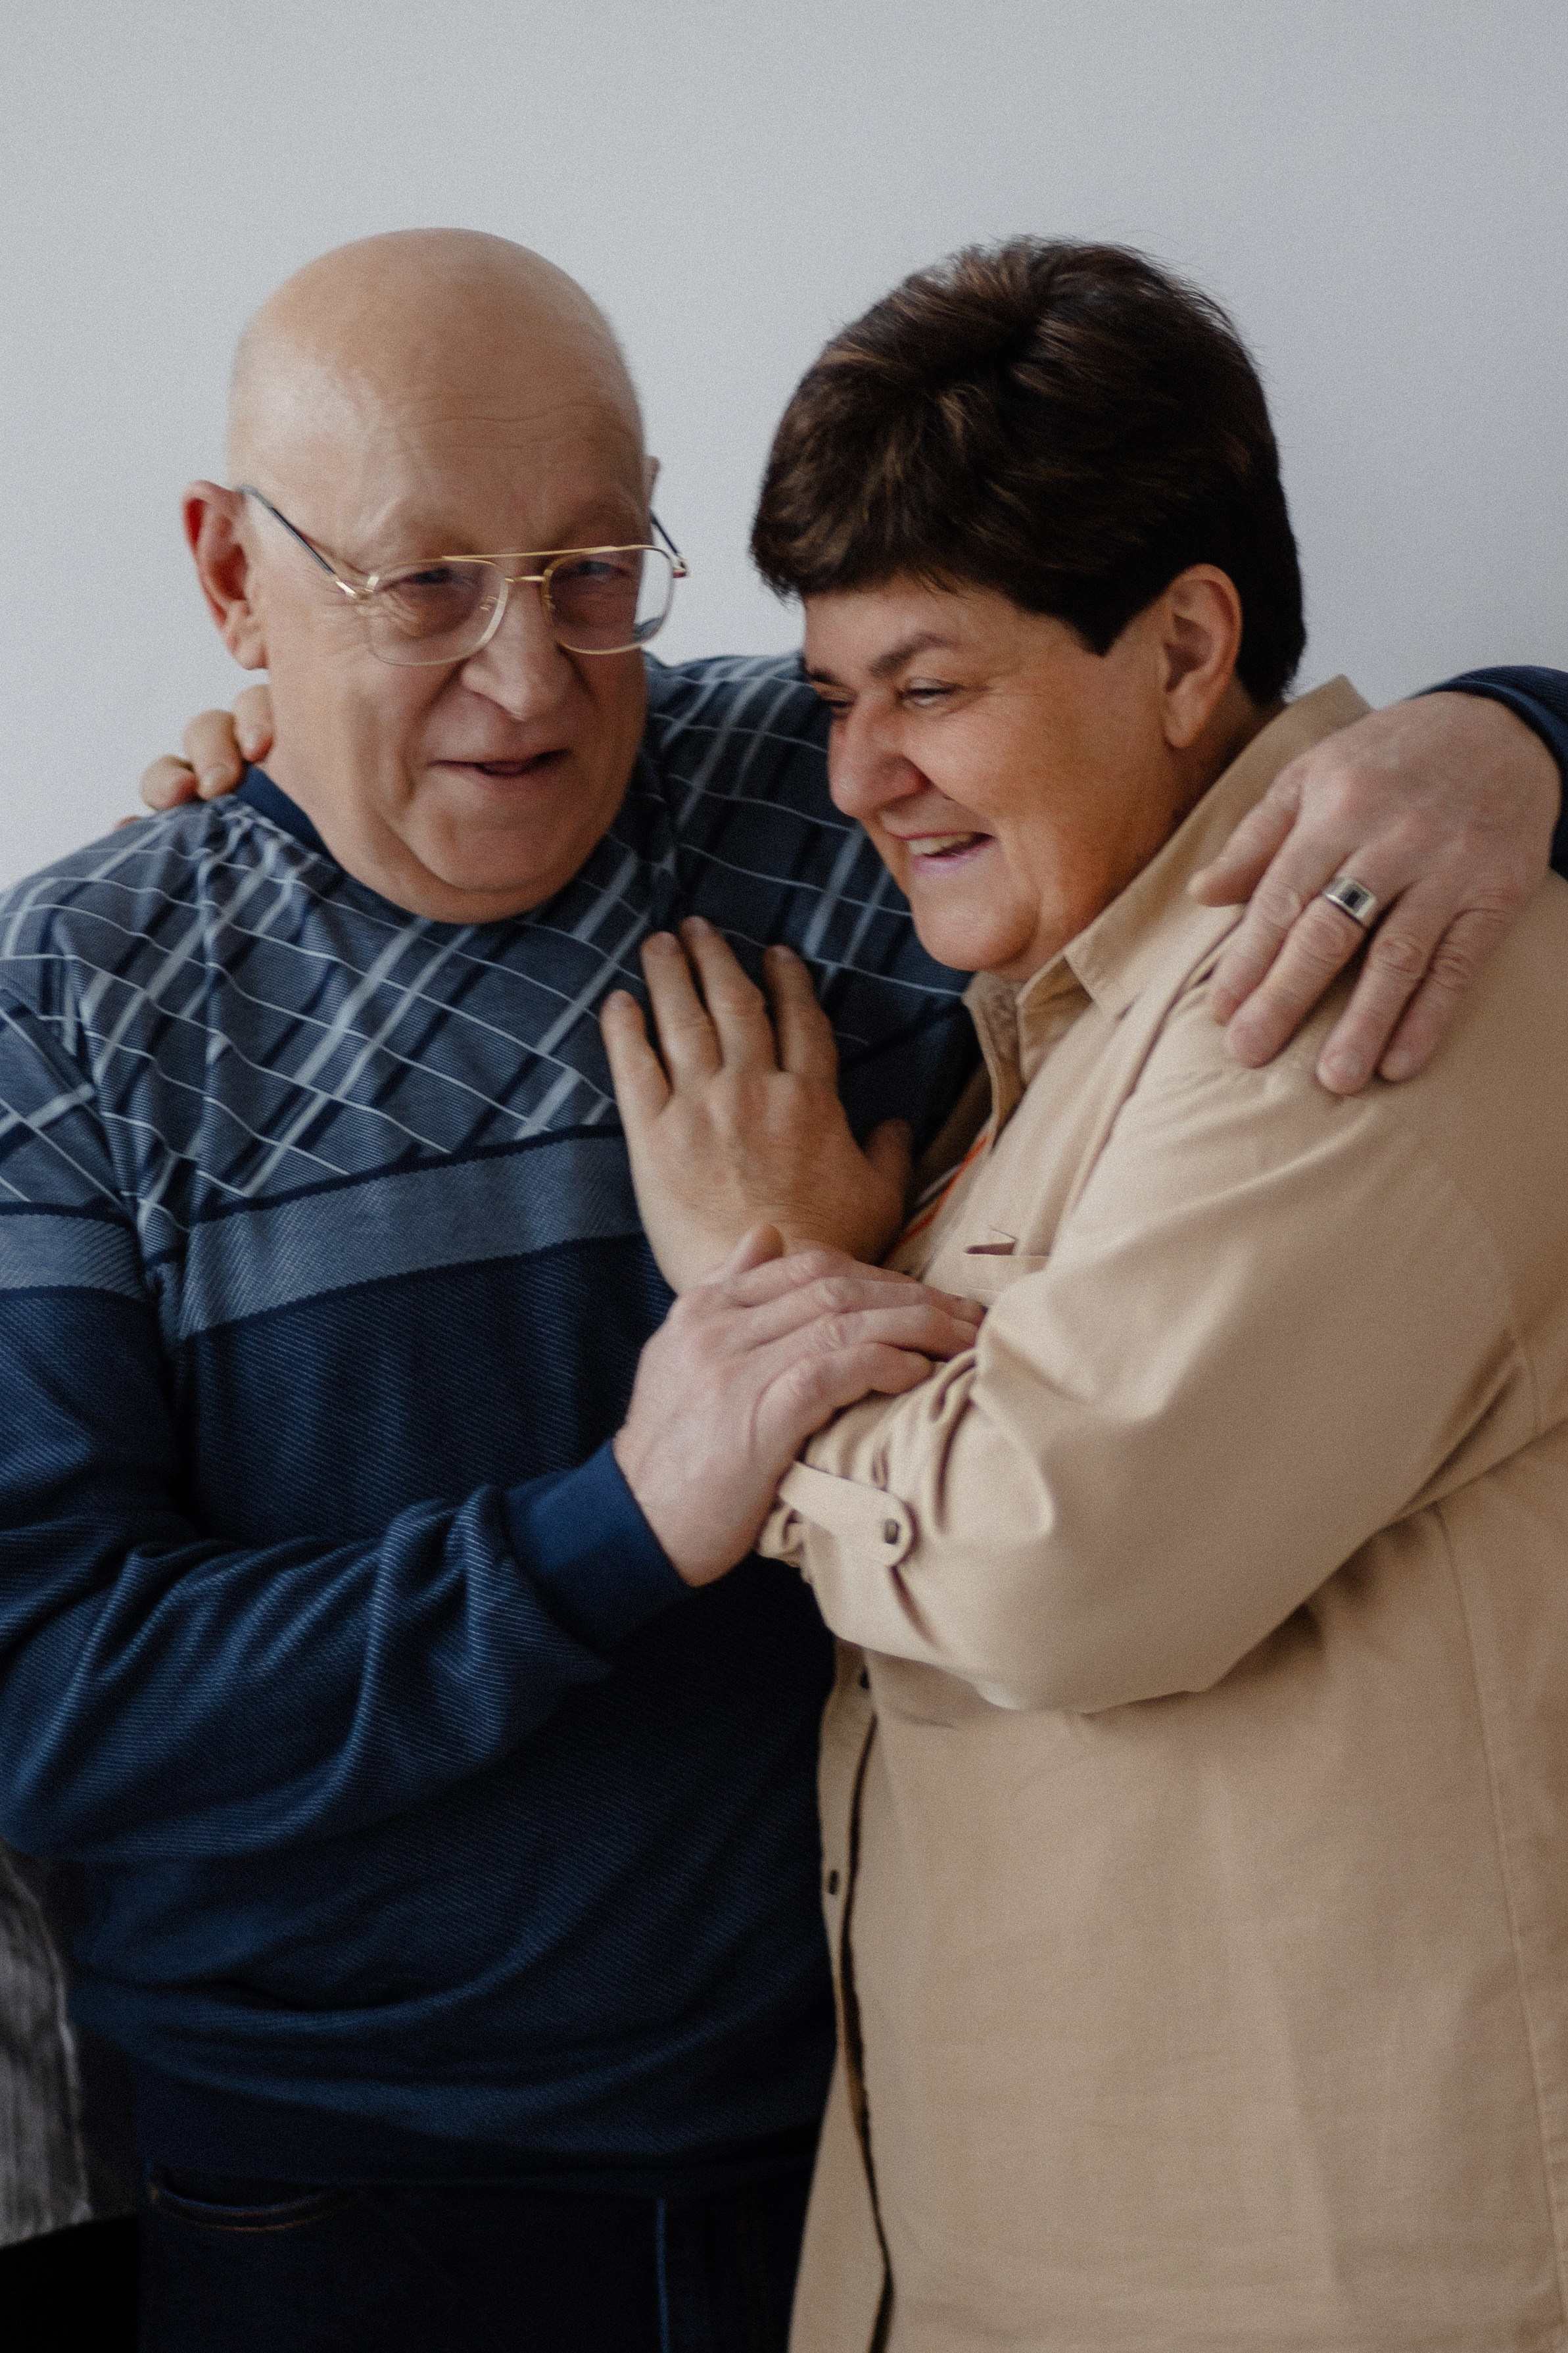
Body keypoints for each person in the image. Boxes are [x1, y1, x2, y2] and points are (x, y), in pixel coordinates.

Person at [3, 224, 1566, 2350]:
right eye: (423, 585)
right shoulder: (68, 1003)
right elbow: (45, 1691)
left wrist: (1517, 731)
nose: (530, 675)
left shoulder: (828, 809)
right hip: (340, 2193)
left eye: (587, 572)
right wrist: (604, 1533)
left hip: (860, 2161)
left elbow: (1204, 765)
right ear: (229, 574)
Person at [600, 239, 1568, 2350]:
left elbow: (1054, 1559)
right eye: (830, 697)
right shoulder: (1057, 1020)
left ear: (1185, 644)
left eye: (927, 686)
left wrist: (761, 1289)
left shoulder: (1350, 963)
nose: (855, 775)